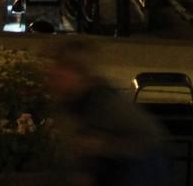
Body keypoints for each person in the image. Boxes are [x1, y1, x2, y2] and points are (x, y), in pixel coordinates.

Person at [46, 36, 169, 185]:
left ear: (79, 75)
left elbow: (150, 143)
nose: (53, 78)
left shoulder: (107, 104)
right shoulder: (73, 104)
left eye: (61, 71)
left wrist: (102, 146)